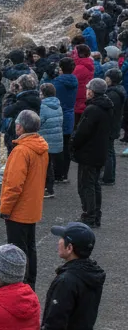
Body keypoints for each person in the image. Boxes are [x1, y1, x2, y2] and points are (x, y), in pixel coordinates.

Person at [0, 110, 48, 289]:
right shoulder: (41, 147)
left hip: (19, 209)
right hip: (32, 206)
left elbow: (14, 185)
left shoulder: (21, 151)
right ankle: (30, 284)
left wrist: (5, 208)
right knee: (30, 248)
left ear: (21, 126)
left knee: (17, 250)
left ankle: (19, 287)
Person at [70, 79, 113, 228]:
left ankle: (89, 216)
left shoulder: (92, 109)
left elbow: (82, 132)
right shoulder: (107, 107)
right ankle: (95, 215)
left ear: (92, 91)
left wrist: (73, 144)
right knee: (94, 185)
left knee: (86, 185)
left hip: (89, 153)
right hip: (100, 151)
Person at [52, 56, 79, 182]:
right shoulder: (74, 81)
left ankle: (57, 174)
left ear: (61, 68)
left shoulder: (57, 83)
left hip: (58, 115)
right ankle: (64, 174)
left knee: (57, 146)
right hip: (70, 115)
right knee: (66, 145)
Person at [37, 83, 64, 198]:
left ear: (43, 93)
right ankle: (49, 187)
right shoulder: (58, 105)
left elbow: (39, 122)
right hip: (56, 139)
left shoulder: (43, 106)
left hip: (44, 139)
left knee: (44, 166)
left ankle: (47, 189)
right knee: (49, 164)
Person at [102, 68, 125, 184]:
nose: (105, 79)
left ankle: (108, 177)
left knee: (108, 152)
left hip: (110, 126)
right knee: (110, 151)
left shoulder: (112, 94)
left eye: (107, 77)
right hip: (114, 125)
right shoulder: (118, 91)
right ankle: (109, 176)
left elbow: (109, 111)